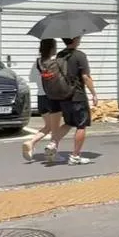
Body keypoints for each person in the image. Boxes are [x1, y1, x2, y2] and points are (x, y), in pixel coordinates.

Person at [44, 36, 98, 165]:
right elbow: (85, 77)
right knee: (81, 125)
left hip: (64, 95)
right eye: (78, 37)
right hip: (77, 95)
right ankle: (75, 156)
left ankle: (53, 143)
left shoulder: (60, 55)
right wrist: (94, 94)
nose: (80, 39)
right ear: (75, 40)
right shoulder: (80, 55)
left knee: (68, 123)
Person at [22, 39, 62, 161]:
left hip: (41, 97)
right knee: (55, 130)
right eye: (55, 47)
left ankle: (31, 142)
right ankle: (53, 154)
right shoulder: (54, 63)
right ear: (52, 49)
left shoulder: (37, 63)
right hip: (52, 98)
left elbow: (31, 78)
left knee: (48, 127)